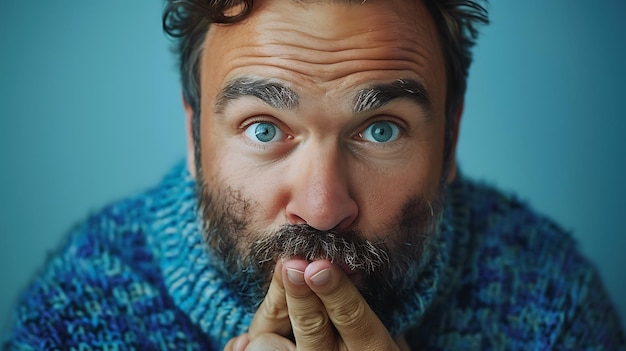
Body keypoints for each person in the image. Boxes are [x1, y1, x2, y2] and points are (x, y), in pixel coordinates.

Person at [3, 0, 624, 349]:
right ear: (194, 136)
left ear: (451, 138)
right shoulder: (77, 312)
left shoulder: (551, 303)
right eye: (264, 128)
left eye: (381, 129)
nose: (324, 208)